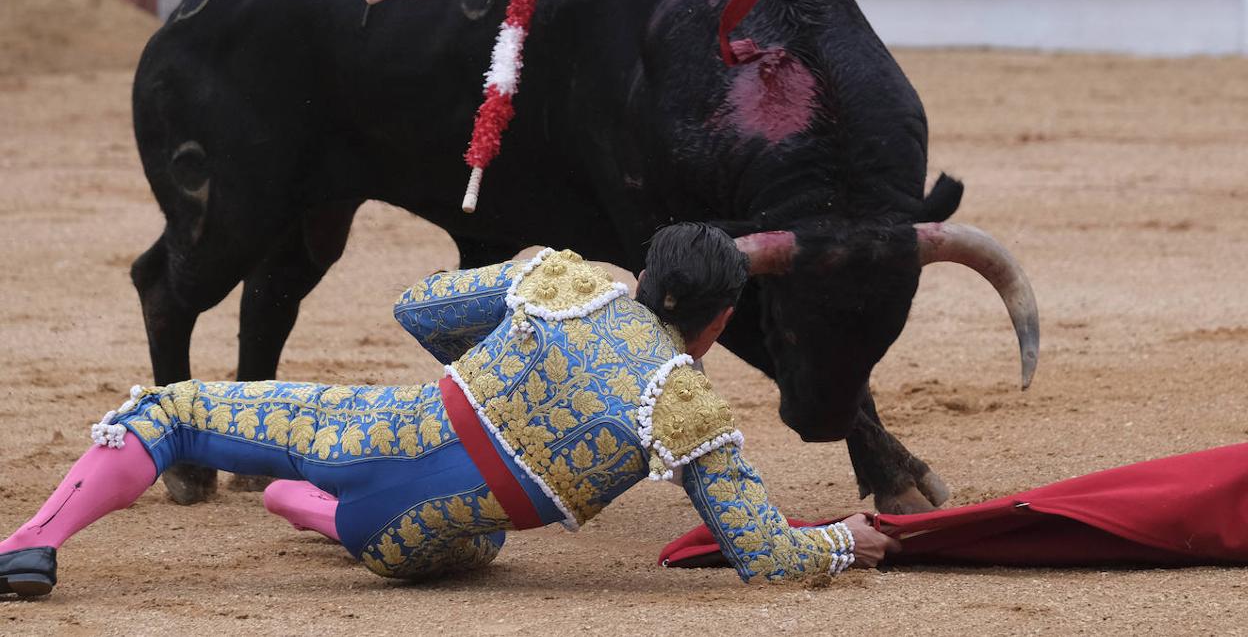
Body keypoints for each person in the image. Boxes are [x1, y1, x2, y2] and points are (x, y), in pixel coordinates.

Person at [0, 223, 899, 597]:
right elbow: (765, 556)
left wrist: (512, 318)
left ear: (645, 274)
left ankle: (29, 544)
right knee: (483, 540)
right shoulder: (692, 411)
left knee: (173, 412)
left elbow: (419, 306)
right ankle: (317, 510)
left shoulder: (561, 283)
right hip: (414, 544)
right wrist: (843, 542)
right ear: (722, 320)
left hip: (360, 436)